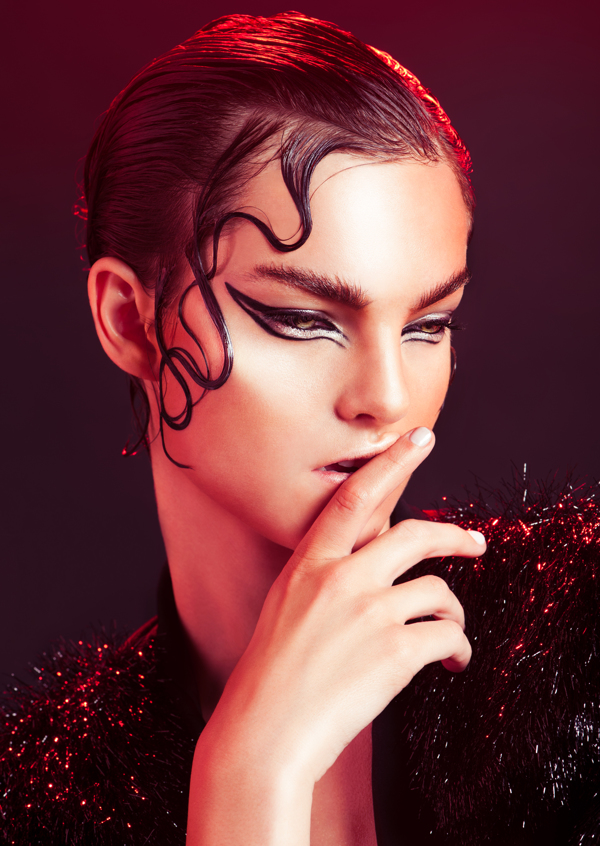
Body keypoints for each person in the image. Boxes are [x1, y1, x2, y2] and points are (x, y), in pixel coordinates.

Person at [1, 12, 598, 846]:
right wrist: (250, 780)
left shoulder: (576, 646)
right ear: (131, 322)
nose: (387, 397)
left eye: (428, 325)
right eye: (301, 319)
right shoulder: (40, 805)